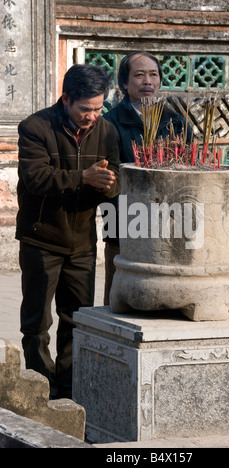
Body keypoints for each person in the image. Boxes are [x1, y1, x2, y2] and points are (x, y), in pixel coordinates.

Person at [16, 64, 120, 400]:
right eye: (85, 108)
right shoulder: (36, 127)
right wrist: (83, 178)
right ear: (66, 99)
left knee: (77, 321)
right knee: (37, 324)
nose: (92, 115)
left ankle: (70, 391)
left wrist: (107, 185)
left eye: (98, 107)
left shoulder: (107, 131)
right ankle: (39, 391)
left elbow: (113, 179)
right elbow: (36, 179)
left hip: (82, 243)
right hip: (41, 238)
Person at [103, 51, 191, 304]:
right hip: (124, 220)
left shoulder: (176, 122)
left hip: (170, 218)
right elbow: (109, 177)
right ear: (124, 83)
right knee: (120, 292)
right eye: (139, 75)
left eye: (153, 75)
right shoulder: (109, 124)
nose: (147, 82)